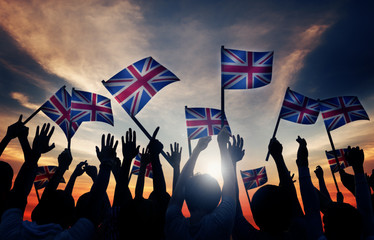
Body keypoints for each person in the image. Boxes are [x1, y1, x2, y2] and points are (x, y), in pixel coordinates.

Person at [165, 128, 236, 240]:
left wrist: (196, 151)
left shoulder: (174, 226)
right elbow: (230, 182)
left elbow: (178, 193)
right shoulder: (221, 223)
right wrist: (222, 145)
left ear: (186, 197)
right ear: (217, 198)